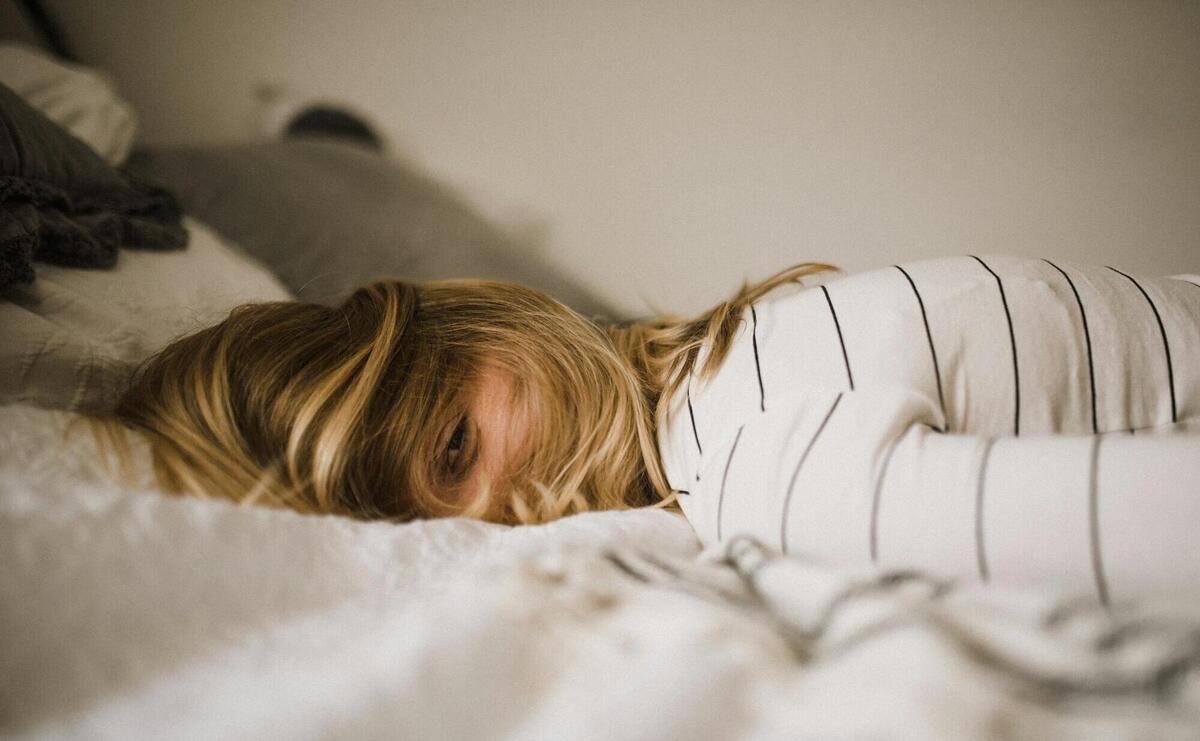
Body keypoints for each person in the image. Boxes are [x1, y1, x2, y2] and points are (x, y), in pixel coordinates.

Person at [106, 256, 1200, 596]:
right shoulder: (737, 359)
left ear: (491, 320)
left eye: (454, 449)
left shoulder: (760, 463)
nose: (494, 519)